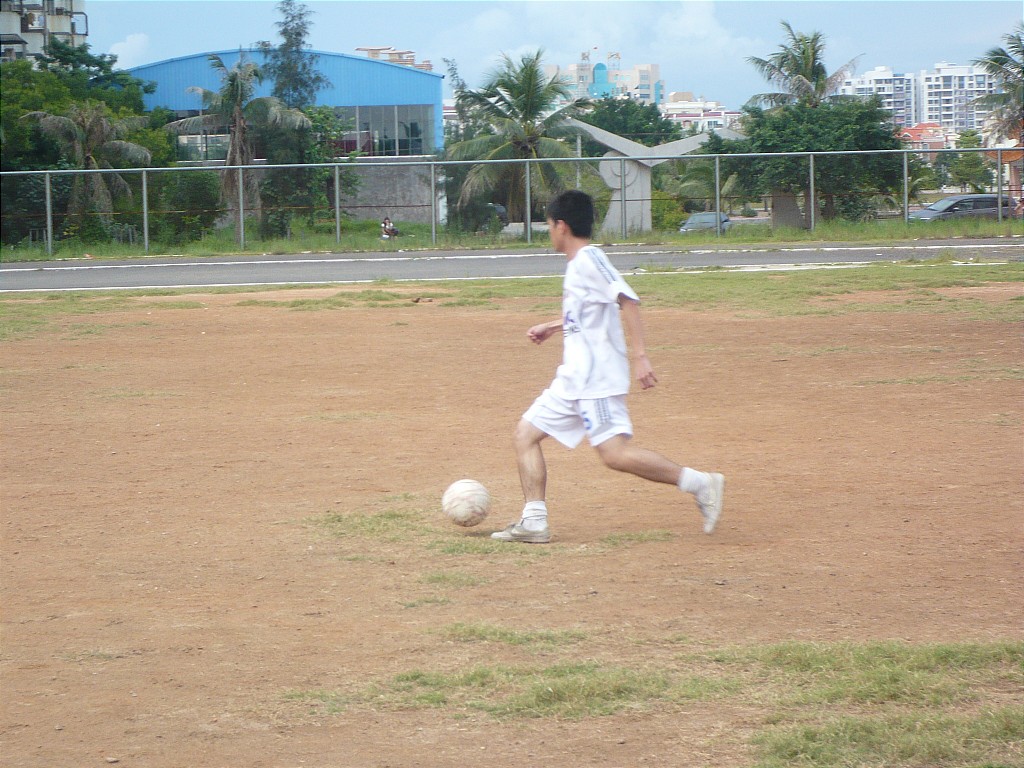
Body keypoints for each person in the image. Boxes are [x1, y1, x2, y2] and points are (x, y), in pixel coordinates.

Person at [492, 190, 724, 544]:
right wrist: (552, 326)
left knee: (614, 455)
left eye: (549, 225)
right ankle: (534, 521)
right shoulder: (577, 265)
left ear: (562, 226)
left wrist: (640, 356)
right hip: (573, 378)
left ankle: (700, 483)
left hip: (596, 379)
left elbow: (626, 299)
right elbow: (588, 311)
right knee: (525, 435)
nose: (549, 232)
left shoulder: (589, 258)